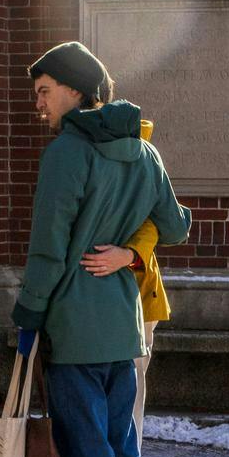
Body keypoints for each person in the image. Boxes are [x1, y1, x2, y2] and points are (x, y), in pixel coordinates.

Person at [13, 42, 190, 457]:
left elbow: (48, 248)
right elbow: (177, 225)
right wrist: (131, 252)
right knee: (120, 443)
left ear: (74, 90)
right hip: (122, 319)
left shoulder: (67, 153)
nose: (39, 104)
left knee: (86, 443)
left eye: (44, 92)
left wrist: (29, 313)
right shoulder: (143, 152)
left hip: (73, 322)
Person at [80, 117, 174, 439]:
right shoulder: (87, 154)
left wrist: (129, 255)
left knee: (131, 383)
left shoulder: (143, 156)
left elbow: (157, 221)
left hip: (135, 291)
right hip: (94, 291)